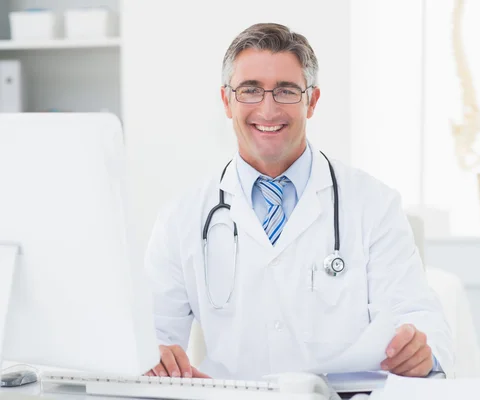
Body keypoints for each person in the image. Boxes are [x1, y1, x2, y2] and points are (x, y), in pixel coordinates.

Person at [144, 23, 453, 380]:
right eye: (250, 90)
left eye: (287, 91)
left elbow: (416, 315)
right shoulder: (180, 219)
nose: (268, 108)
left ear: (312, 101)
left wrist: (420, 352)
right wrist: (160, 363)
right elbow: (153, 339)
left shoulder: (375, 205)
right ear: (227, 101)